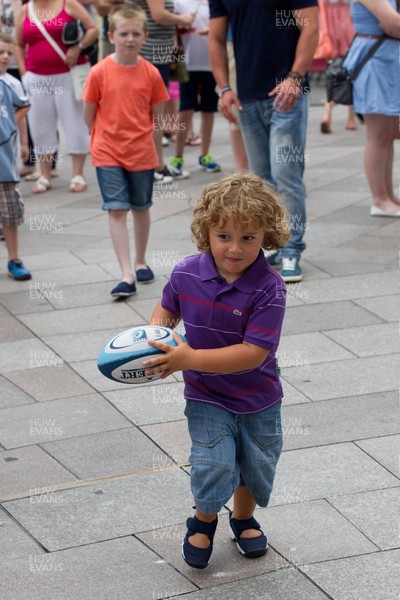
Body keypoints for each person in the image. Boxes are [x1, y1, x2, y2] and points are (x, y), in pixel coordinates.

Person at [144, 172, 289, 569]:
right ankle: (203, 519)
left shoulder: (269, 288)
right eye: (224, 235)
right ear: (206, 231)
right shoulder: (187, 272)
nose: (235, 248)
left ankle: (242, 519)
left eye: (249, 237)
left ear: (267, 236)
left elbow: (253, 353)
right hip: (206, 394)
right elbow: (168, 306)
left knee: (254, 464)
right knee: (213, 463)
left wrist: (188, 357)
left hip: (258, 398)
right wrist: (157, 337)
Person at [208, 1, 319, 283]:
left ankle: (292, 248)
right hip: (248, 94)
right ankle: (270, 246)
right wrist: (224, 87)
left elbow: (310, 26)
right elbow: (216, 37)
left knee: (286, 173)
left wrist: (295, 77)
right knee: (260, 180)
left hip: (287, 94)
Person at [83, 4, 169, 298]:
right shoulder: (98, 72)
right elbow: (89, 113)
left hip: (142, 151)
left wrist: (158, 155)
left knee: (141, 207)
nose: (129, 39)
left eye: (135, 33)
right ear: (111, 36)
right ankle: (126, 274)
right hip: (107, 151)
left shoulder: (151, 74)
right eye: (123, 33)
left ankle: (141, 260)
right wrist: (99, 138)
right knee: (116, 208)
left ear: (144, 37)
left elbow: (158, 118)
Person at [95, 0, 195, 183]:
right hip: (152, 52)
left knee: (154, 114)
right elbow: (159, 15)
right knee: (154, 115)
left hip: (158, 51)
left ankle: (157, 166)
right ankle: (155, 167)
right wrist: (184, 18)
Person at [14, 0, 98, 193]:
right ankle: (44, 174)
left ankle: (78, 174)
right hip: (37, 77)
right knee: (39, 126)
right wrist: (23, 71)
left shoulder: (68, 4)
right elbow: (19, 44)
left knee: (74, 123)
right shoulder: (25, 10)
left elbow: (92, 28)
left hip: (67, 74)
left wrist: (78, 47)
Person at [343, 0, 400, 217]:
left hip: (384, 60)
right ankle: (380, 199)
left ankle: (388, 195)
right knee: (378, 135)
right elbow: (393, 22)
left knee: (386, 134)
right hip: (374, 62)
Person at [168, 0, 221, 178]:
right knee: (186, 108)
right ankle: (178, 157)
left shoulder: (213, 3)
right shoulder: (178, 3)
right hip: (187, 63)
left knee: (209, 110)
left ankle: (205, 154)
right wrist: (180, 25)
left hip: (212, 64)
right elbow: (170, 25)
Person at [0, 33, 31, 280]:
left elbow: (23, 106)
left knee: (11, 214)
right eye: (1, 52)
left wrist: (21, 139)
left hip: (5, 164)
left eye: (8, 53)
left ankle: (14, 258)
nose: (5, 57)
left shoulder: (10, 83)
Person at [318, 0, 358, 133]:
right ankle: (350, 119)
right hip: (346, 28)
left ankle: (327, 113)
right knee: (351, 75)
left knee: (332, 73)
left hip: (330, 29)